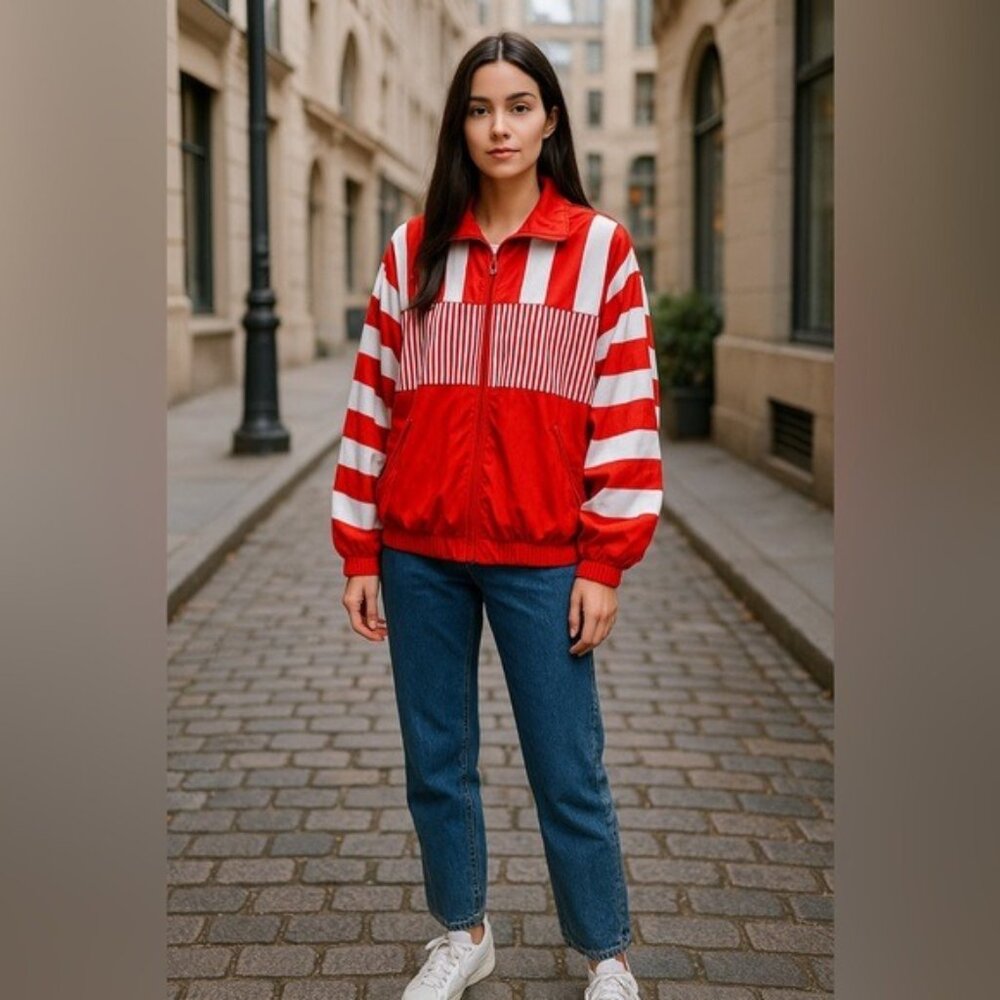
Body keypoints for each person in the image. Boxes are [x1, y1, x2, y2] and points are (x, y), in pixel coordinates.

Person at [331, 31, 663, 1000]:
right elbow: (370, 405)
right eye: (479, 109)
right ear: (459, 126)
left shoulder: (599, 249)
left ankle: (606, 952)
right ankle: (462, 930)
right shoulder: (413, 249)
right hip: (418, 552)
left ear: (548, 117)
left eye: (517, 105)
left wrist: (603, 560)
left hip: (541, 558)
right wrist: (359, 543)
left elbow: (628, 411)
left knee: (567, 766)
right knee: (437, 761)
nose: (498, 126)